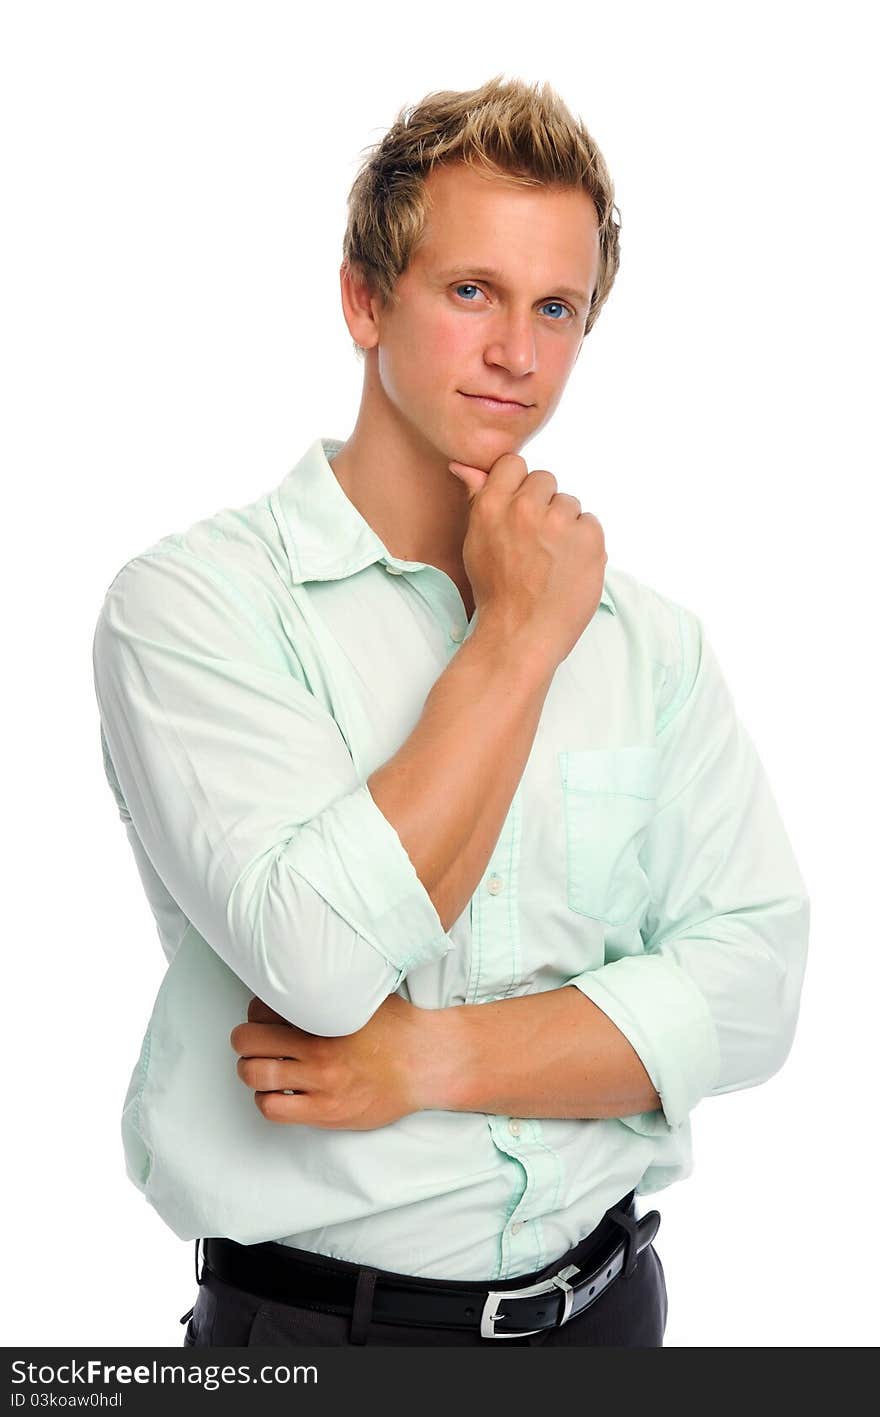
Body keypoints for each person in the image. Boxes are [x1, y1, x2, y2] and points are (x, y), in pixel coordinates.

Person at [91, 75, 810, 1349]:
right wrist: (518, 641)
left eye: (557, 309)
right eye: (470, 291)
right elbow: (318, 963)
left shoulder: (650, 640)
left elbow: (752, 984)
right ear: (365, 300)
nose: (517, 354)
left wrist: (427, 1060)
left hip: (610, 1310)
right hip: (324, 1334)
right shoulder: (194, 608)